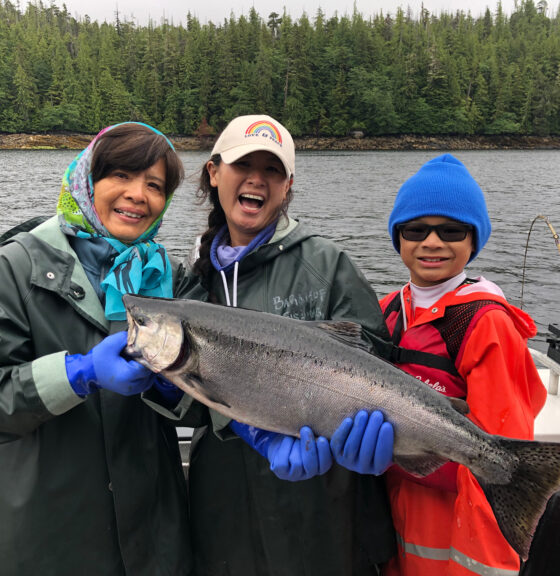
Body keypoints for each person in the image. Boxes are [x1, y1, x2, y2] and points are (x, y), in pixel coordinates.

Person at [0, 122, 193, 576]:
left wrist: (178, 392)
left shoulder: (167, 278)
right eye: (120, 175)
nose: (138, 194)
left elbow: (194, 402)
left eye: (154, 185)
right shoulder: (14, 268)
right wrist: (77, 374)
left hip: (148, 540)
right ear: (85, 181)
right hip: (37, 540)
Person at [170, 114, 398, 575]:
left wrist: (370, 438)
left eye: (271, 170)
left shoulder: (327, 263)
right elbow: (188, 394)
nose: (257, 178)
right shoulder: (191, 279)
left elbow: (376, 357)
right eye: (242, 164)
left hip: (318, 504)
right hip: (222, 506)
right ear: (214, 173)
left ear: (288, 185)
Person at [378, 154, 547, 575]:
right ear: (398, 237)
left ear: (474, 240)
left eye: (451, 230)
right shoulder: (385, 312)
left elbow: (500, 463)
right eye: (415, 229)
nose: (432, 242)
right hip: (391, 527)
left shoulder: (486, 324)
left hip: (453, 537)